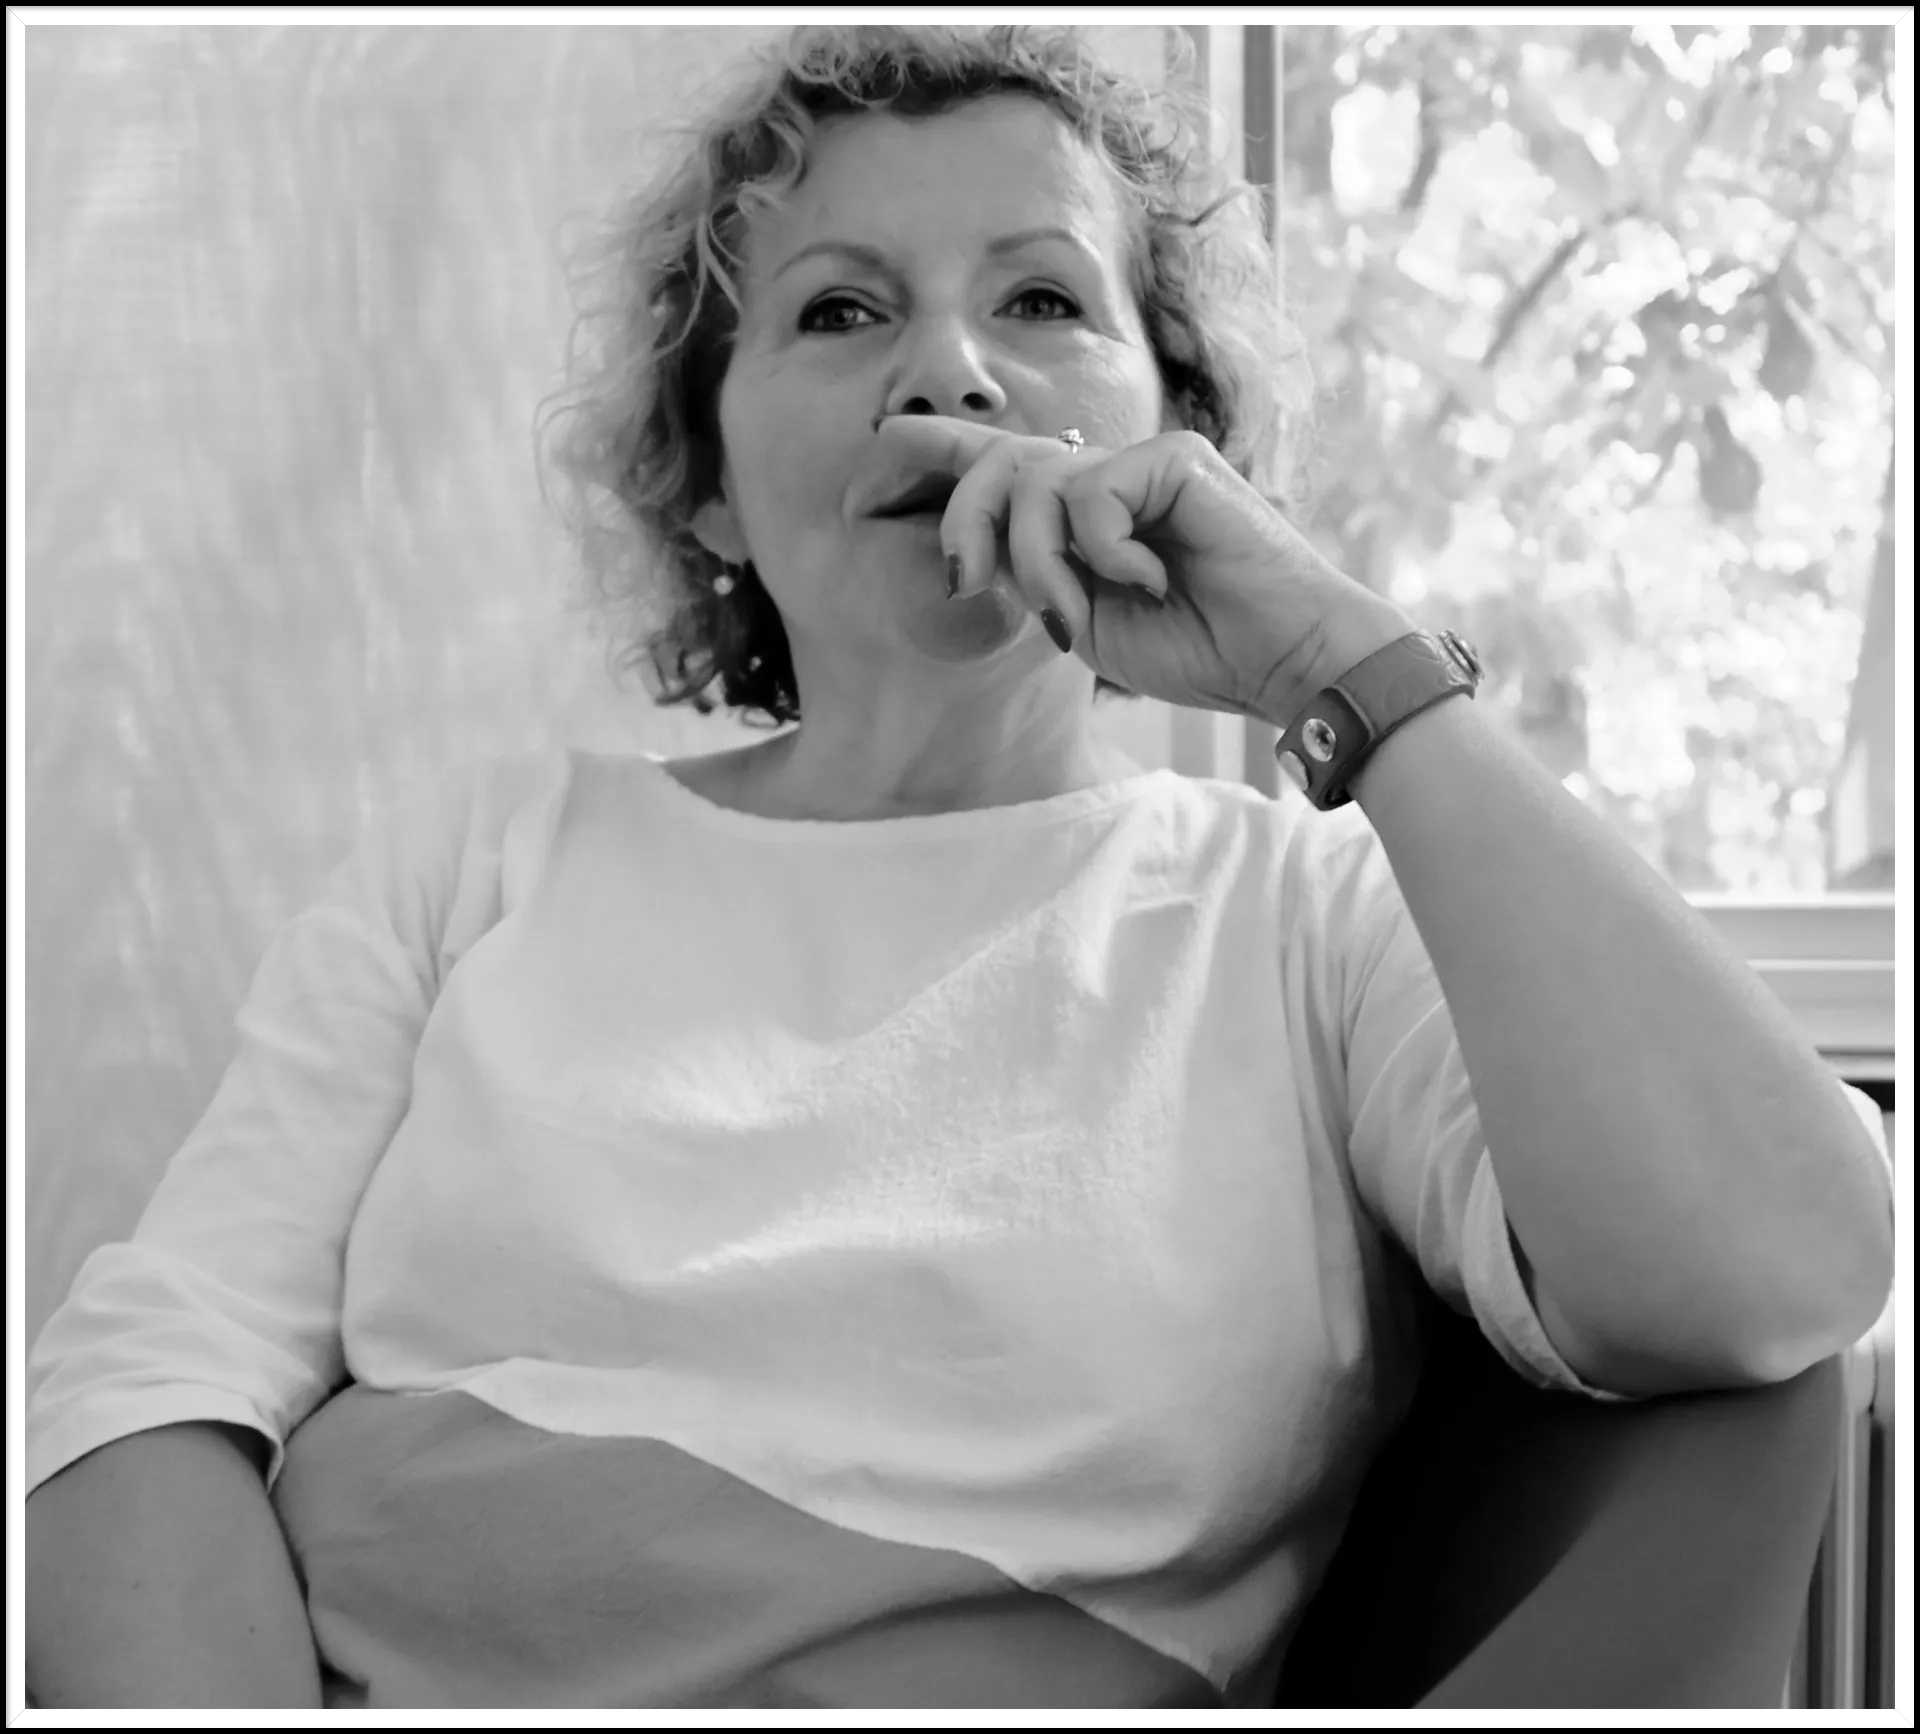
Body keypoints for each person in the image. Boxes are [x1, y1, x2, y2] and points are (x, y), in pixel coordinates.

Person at [24, 25, 1894, 1711]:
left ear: (1181, 430)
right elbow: (146, 1386)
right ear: (703, 475)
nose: (949, 369)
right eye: (840, 310)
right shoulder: (479, 862)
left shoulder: (1301, 921)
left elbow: (1778, 1267)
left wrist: (1348, 667)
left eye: (1045, 300)